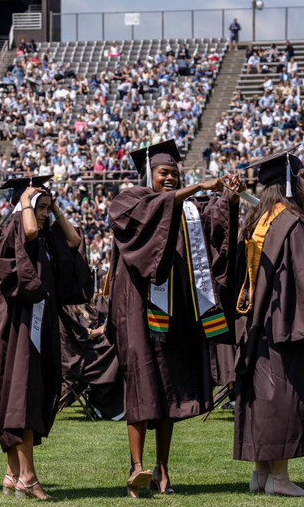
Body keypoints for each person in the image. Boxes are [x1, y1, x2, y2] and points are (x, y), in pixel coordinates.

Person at [107, 140, 241, 497]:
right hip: (136, 311)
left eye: (175, 175)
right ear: (147, 174)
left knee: (166, 389)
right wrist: (196, 187)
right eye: (164, 173)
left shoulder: (187, 208)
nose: (170, 178)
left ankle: (162, 470)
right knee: (142, 389)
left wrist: (230, 199)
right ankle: (136, 468)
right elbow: (147, 219)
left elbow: (217, 232)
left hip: (176, 314)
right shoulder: (128, 201)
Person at [229, 149, 304, 497]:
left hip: (255, 325)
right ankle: (279, 479)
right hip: (287, 326)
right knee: (284, 397)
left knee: (262, 397)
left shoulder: (256, 221)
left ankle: (261, 473)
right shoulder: (293, 222)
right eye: (302, 177)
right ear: (290, 182)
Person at [0, 176, 92, 499]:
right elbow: (28, 230)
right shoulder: (9, 233)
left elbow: (74, 242)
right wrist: (28, 202)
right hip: (18, 330)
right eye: (40, 208)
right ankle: (28, 478)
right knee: (21, 398)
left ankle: (12, 474)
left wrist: (55, 208)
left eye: (47, 208)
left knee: (25, 395)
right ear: (22, 207)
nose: (44, 215)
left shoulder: (46, 239)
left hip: (39, 329)